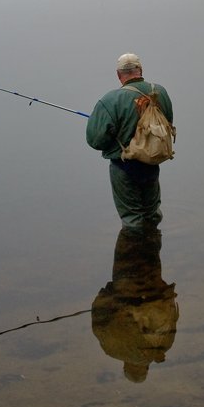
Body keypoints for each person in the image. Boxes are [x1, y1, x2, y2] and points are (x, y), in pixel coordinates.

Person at [85, 52, 174, 230]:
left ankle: (134, 254)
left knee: (132, 219)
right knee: (152, 212)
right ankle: (153, 248)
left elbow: (95, 140)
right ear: (140, 70)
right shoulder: (160, 92)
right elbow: (168, 122)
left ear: (119, 75)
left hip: (124, 166)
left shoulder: (109, 100)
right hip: (152, 161)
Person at [90, 225, 179, 383]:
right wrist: (109, 294)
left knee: (149, 238)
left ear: (145, 369)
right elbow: (99, 317)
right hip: (125, 282)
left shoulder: (162, 348)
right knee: (129, 234)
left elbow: (173, 312)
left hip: (151, 285)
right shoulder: (111, 350)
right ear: (125, 367)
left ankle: (148, 222)